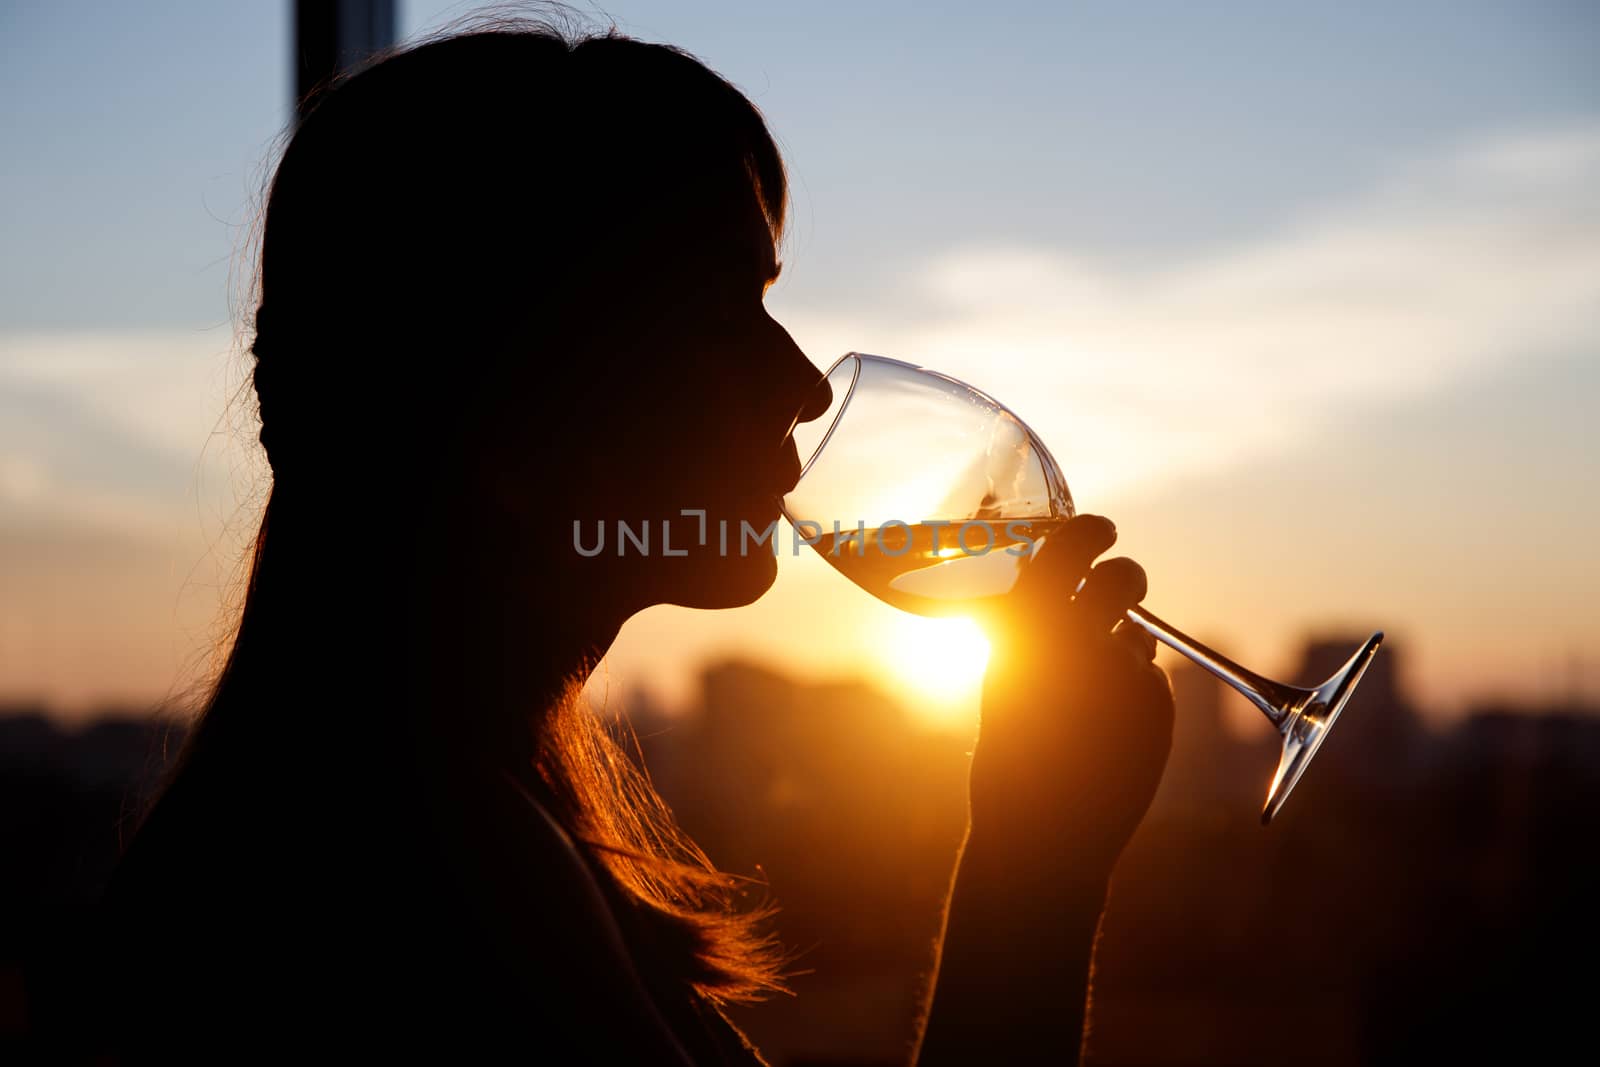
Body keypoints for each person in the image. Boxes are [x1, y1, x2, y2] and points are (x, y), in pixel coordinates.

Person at [97, 18, 1174, 1065]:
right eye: (717, 318)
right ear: (514, 400)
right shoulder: (418, 872)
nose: (800, 384)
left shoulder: (378, 807)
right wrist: (1034, 868)